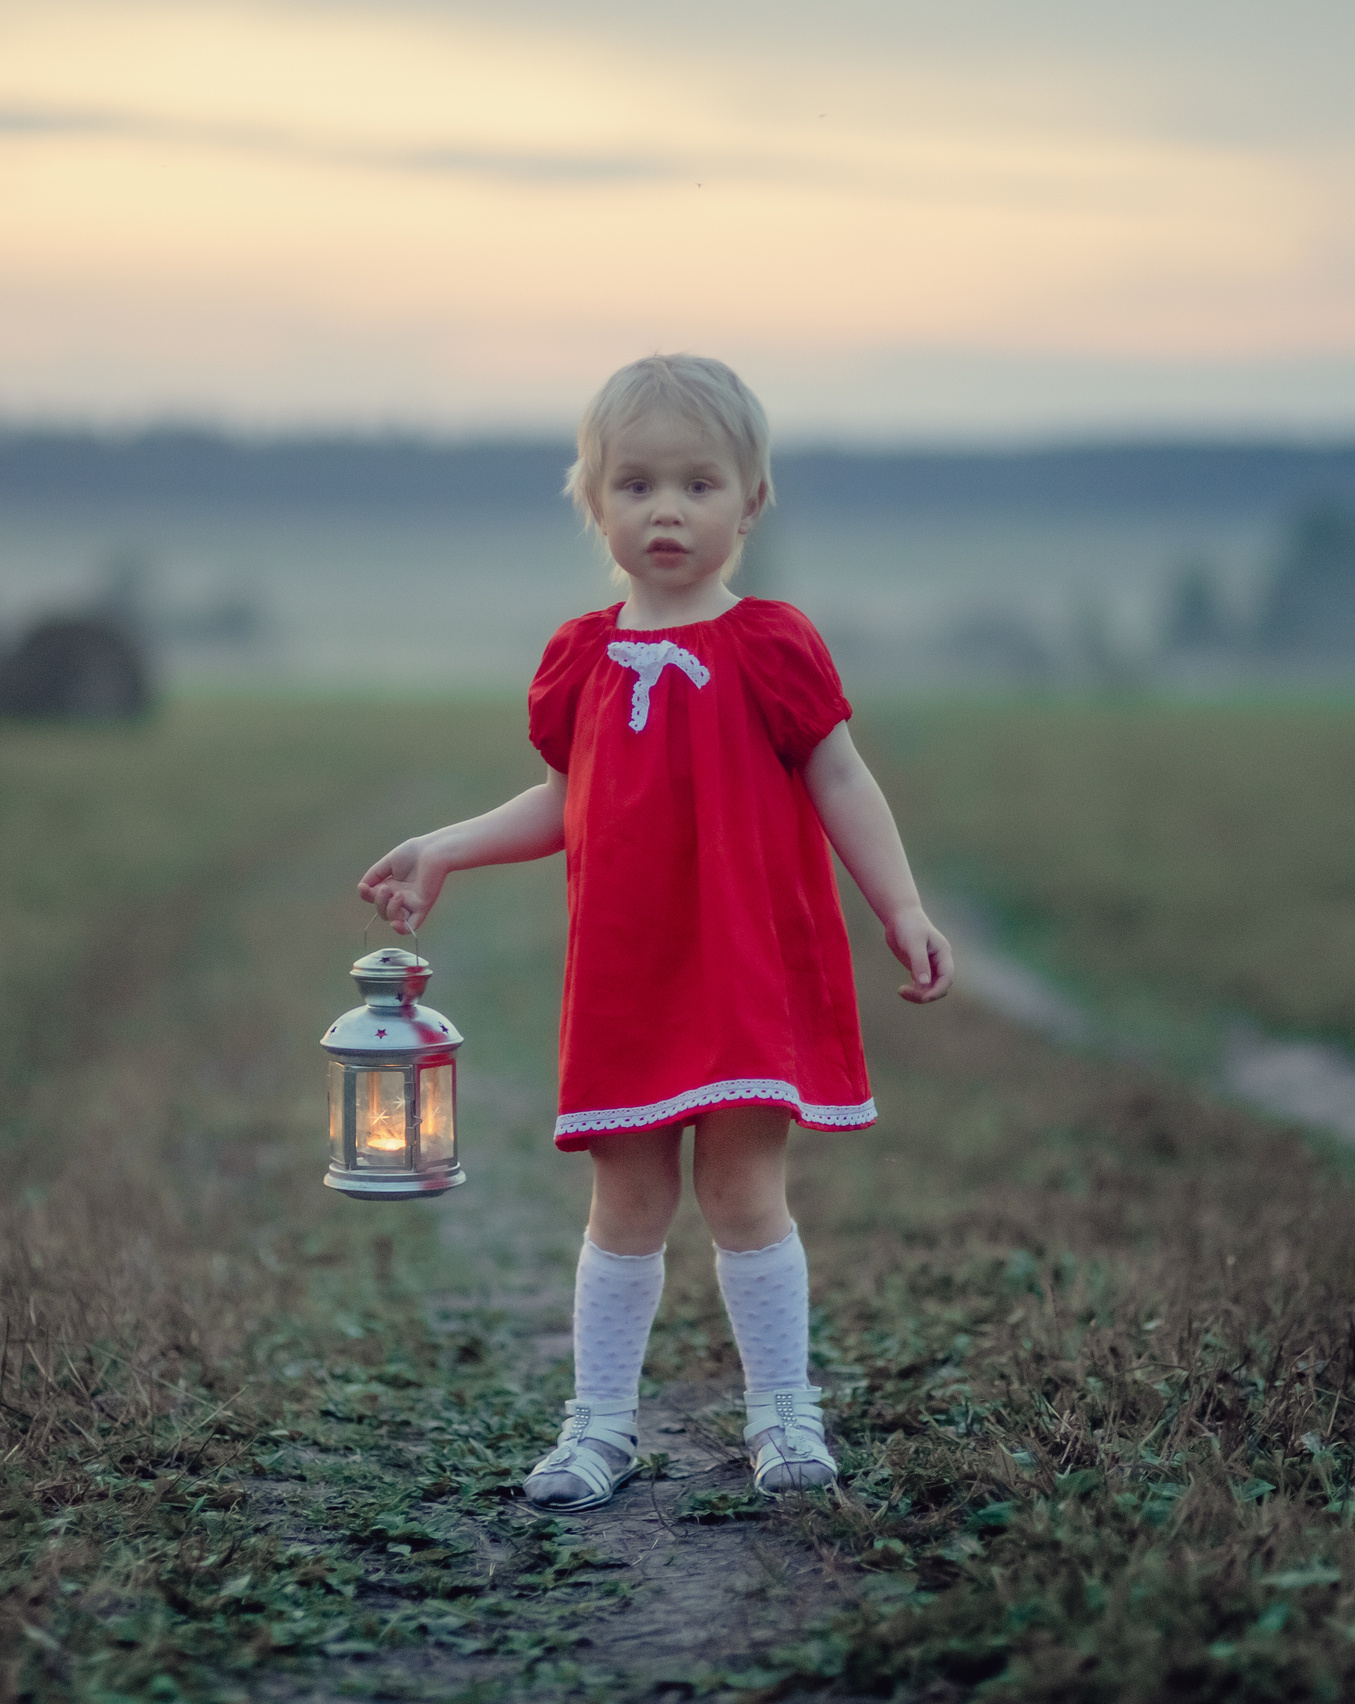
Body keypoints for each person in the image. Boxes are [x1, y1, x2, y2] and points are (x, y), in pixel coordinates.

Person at [358, 354, 954, 1509]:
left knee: (743, 1190)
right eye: (635, 485)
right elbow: (562, 801)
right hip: (629, 977)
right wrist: (445, 845)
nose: (666, 510)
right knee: (625, 1198)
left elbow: (839, 777)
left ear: (751, 502)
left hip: (743, 970)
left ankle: (782, 1413)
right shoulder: (579, 659)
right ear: (594, 502)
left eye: (697, 484)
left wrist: (902, 906)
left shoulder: (772, 644)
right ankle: (599, 1427)